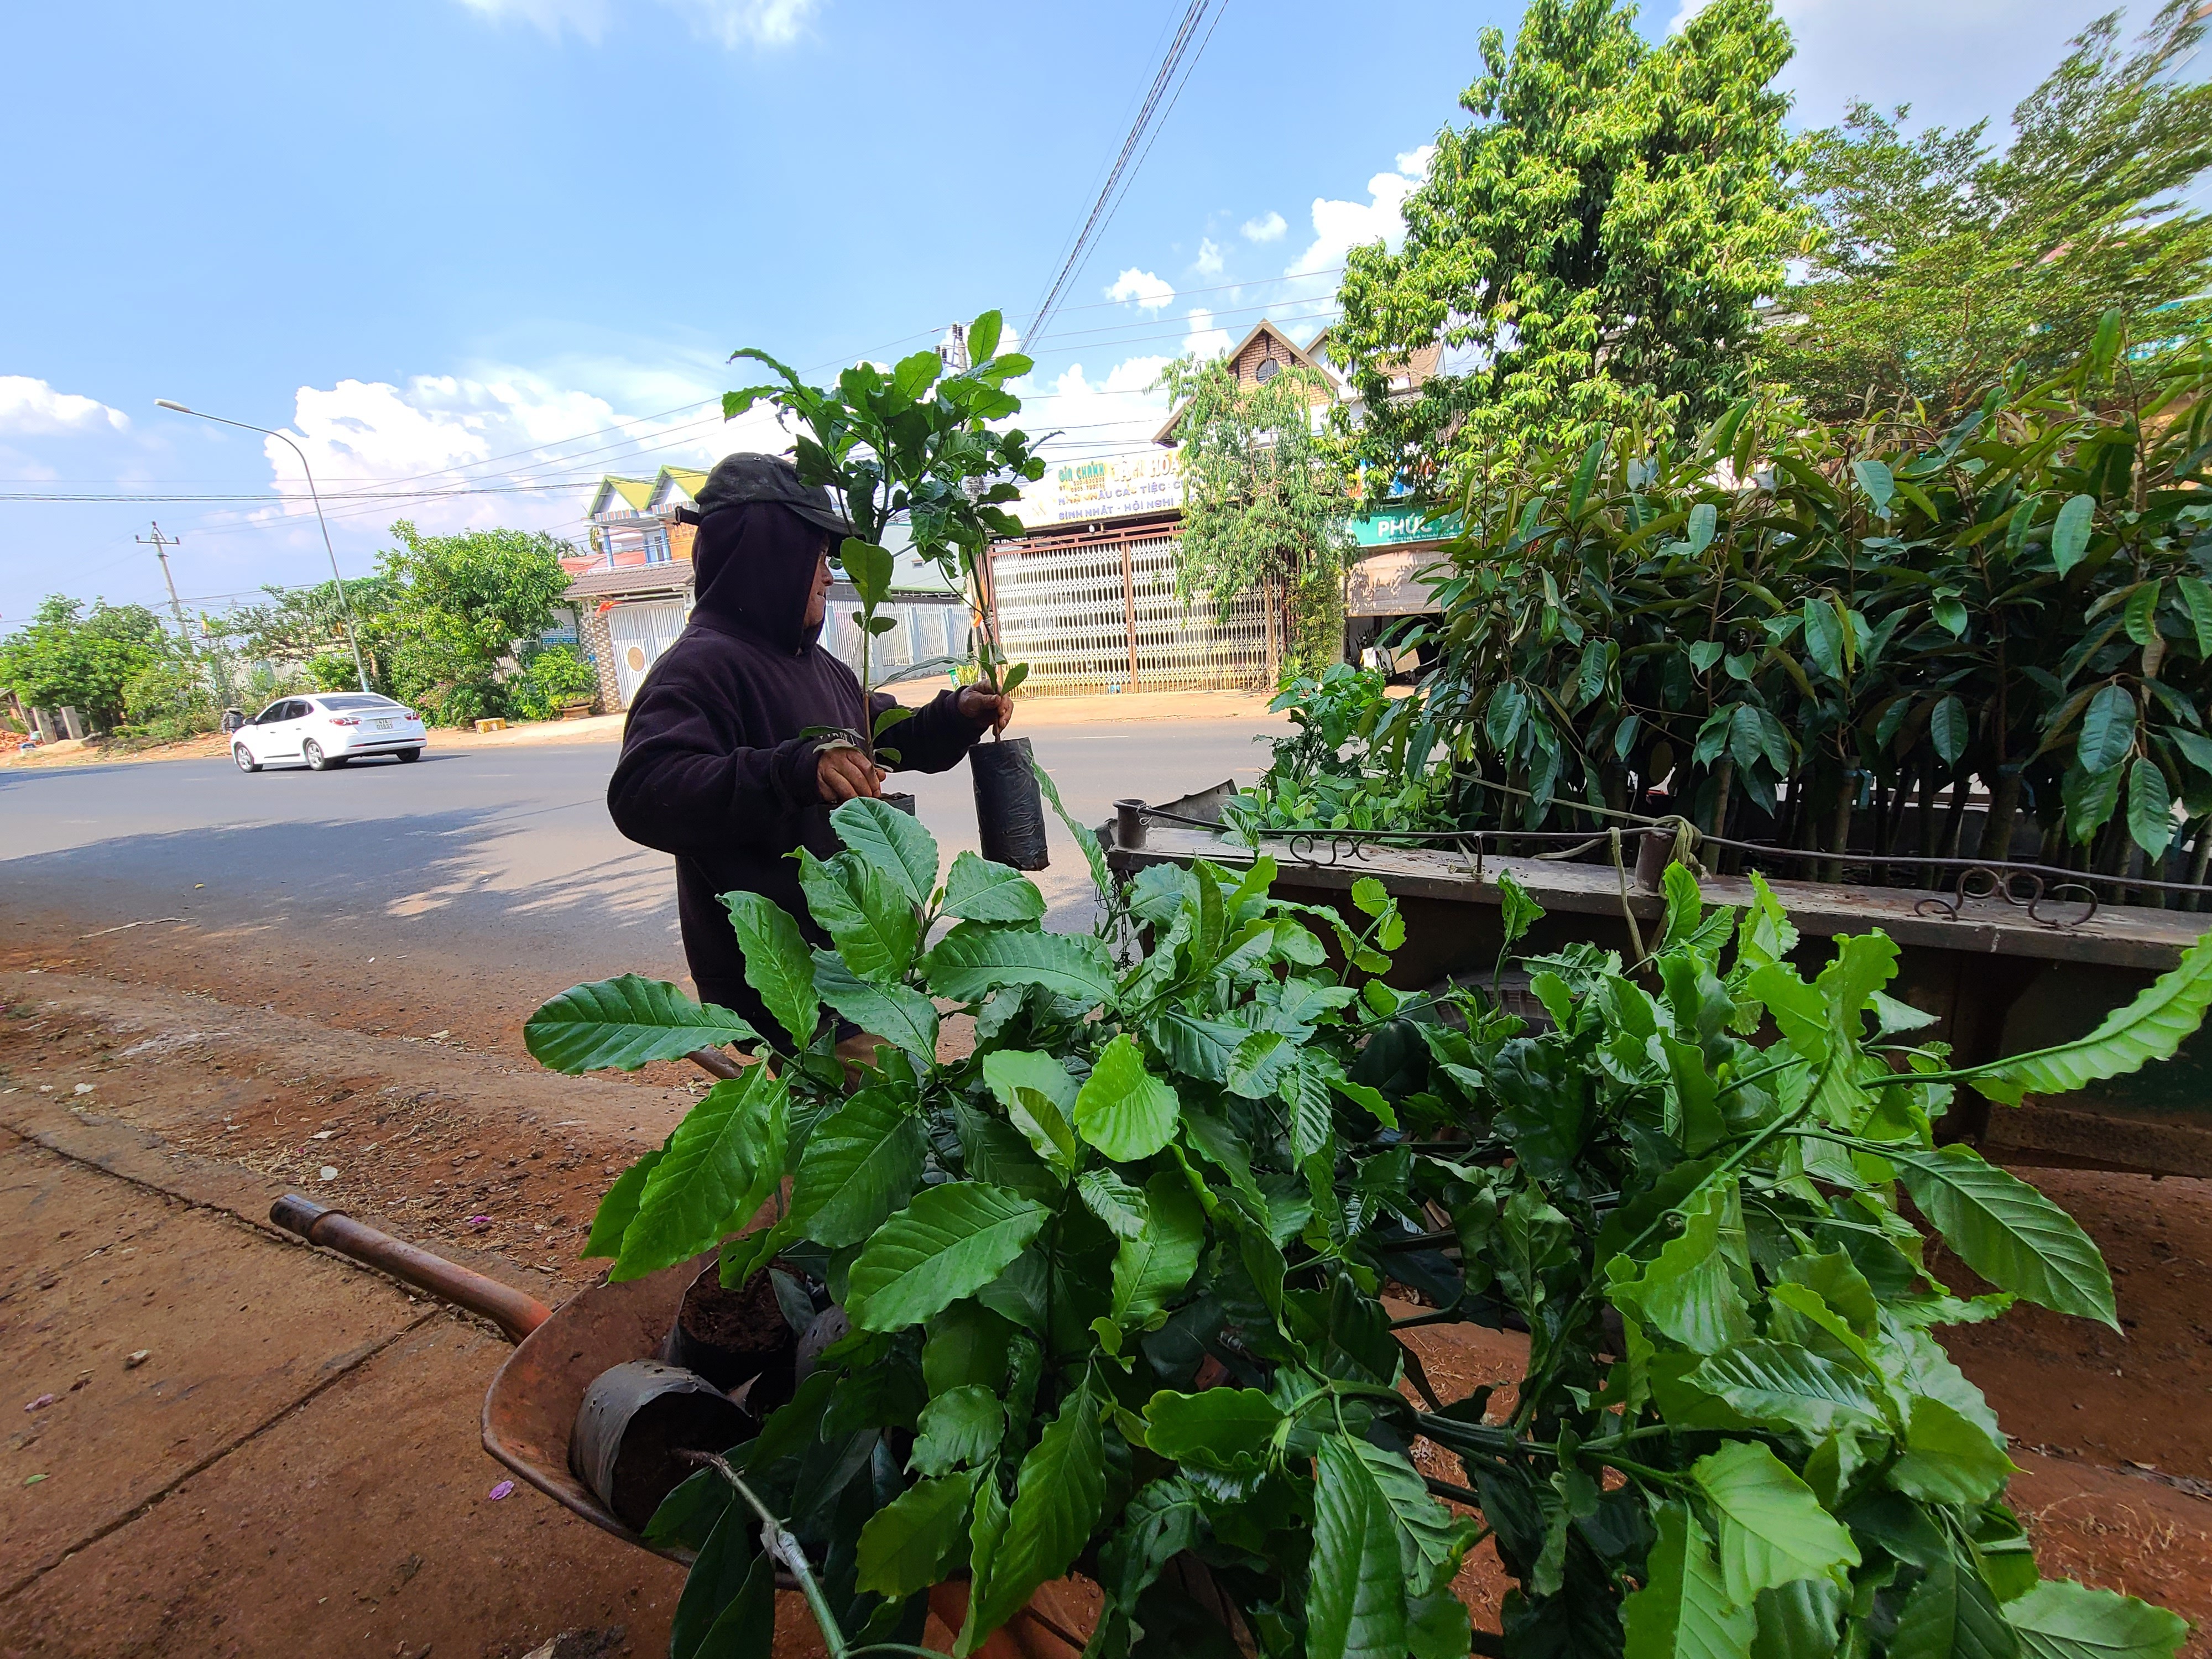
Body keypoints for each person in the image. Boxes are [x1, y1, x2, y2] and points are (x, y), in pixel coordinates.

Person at [607, 453, 1010, 1040]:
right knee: (857, 1109)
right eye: (815, 558)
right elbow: (645, 791)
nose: (827, 575)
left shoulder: (819, 666)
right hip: (776, 976)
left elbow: (878, 737)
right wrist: (791, 773)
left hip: (848, 955)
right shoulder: (698, 668)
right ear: (764, 560)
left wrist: (956, 715)